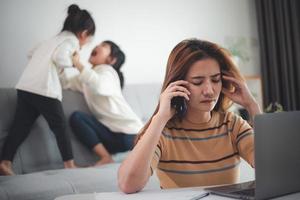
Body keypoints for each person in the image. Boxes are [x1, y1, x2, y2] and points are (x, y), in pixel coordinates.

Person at [118, 39, 262, 193]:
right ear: (178, 85)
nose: (209, 90)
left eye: (215, 80)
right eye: (198, 82)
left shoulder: (232, 125)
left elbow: (273, 169)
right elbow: (129, 185)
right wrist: (160, 118)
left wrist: (252, 106)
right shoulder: (163, 132)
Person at [0, 4, 95, 176]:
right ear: (84, 34)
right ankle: (70, 165)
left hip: (26, 86)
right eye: (88, 40)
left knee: (20, 126)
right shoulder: (72, 41)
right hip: (45, 89)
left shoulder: (53, 39)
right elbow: (60, 58)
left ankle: (5, 162)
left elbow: (30, 53)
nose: (85, 44)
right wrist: (74, 61)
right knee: (60, 127)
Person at [60, 41, 143, 166]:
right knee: (77, 118)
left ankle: (115, 157)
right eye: (99, 44)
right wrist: (62, 62)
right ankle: (106, 157)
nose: (97, 46)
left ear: (111, 60)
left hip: (131, 135)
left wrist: (78, 63)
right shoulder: (86, 77)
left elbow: (98, 85)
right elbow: (65, 82)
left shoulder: (108, 72)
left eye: (104, 46)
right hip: (111, 138)